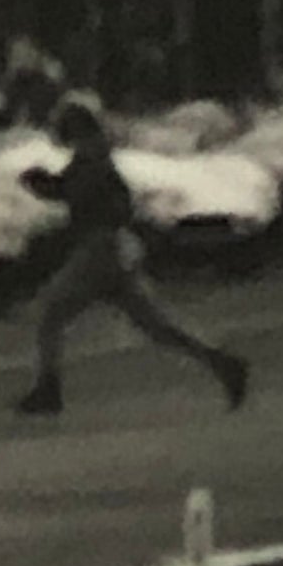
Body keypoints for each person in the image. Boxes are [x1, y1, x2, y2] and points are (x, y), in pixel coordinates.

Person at [13, 92, 250, 416]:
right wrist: (48, 185)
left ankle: (48, 389)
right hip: (114, 249)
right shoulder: (95, 156)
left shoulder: (90, 158)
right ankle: (222, 363)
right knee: (156, 326)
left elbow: (80, 195)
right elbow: (81, 192)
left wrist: (44, 185)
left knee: (50, 313)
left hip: (98, 250)